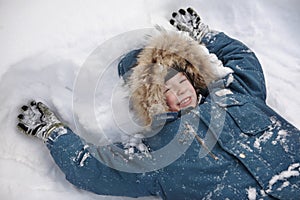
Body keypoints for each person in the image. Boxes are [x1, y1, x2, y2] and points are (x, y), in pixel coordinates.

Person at [17, 7, 300, 199]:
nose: (181, 92)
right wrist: (52, 132)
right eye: (167, 90)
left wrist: (206, 37)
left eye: (181, 82)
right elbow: (92, 168)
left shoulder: (236, 96)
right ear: (154, 102)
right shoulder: (158, 153)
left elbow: (244, 60)